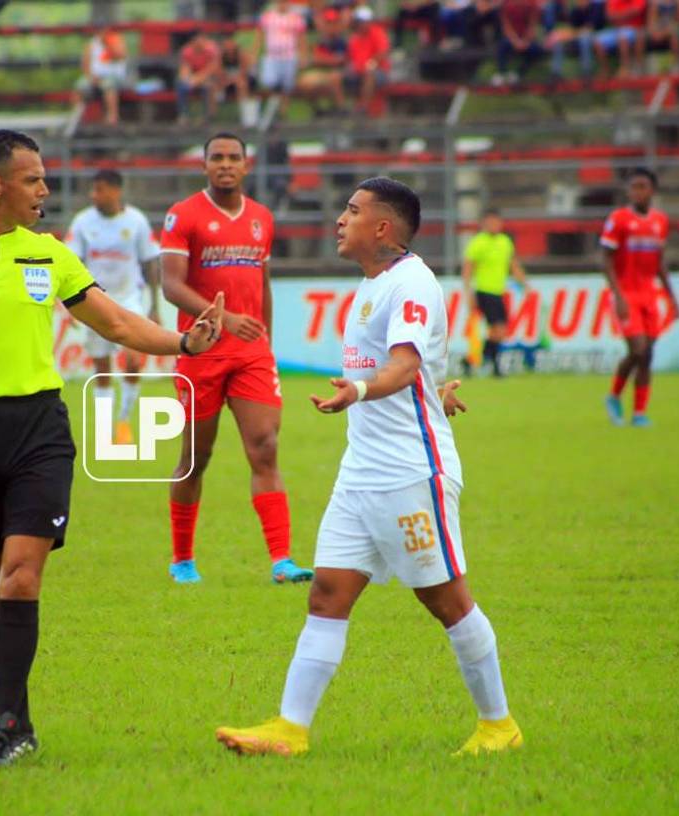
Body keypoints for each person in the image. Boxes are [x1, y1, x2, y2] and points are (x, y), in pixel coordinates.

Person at [0, 129, 223, 766]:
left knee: (21, 574)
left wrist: (184, 344)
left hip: (39, 429)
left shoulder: (51, 254)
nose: (45, 190)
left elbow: (115, 320)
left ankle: (2, 725)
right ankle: (20, 717)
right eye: (33, 179)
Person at [214, 177, 522, 757]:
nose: (340, 219)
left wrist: (358, 390)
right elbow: (417, 368)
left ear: (382, 228)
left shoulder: (410, 284)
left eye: (352, 211)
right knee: (327, 594)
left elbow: (403, 365)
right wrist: (434, 389)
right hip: (361, 473)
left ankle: (498, 726)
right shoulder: (373, 284)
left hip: (409, 474)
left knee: (447, 602)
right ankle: (290, 729)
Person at [160, 132, 312, 585]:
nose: (225, 164)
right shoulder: (182, 216)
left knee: (265, 447)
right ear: (204, 165)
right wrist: (224, 320)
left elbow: (262, 282)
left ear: (247, 165)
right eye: (216, 157)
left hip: (250, 353)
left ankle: (282, 561)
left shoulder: (262, 218)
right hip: (201, 350)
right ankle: (182, 559)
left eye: (233, 158)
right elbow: (171, 285)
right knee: (195, 456)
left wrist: (264, 338)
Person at [63, 169, 162, 445]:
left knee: (133, 359)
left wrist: (154, 306)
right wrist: (70, 304)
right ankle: (105, 428)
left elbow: (150, 262)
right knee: (102, 368)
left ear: (116, 191)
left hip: (129, 299)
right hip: (94, 299)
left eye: (100, 190)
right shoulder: (83, 222)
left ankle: (124, 419)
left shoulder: (136, 221)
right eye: (93, 190)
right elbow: (70, 263)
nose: (94, 195)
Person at [599, 167, 679, 428]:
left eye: (642, 186)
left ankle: (639, 413)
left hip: (649, 295)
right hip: (626, 294)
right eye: (633, 187)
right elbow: (606, 260)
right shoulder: (619, 219)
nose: (637, 192)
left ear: (652, 190)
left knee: (647, 355)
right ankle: (613, 396)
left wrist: (672, 298)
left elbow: (660, 263)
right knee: (638, 348)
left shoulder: (660, 222)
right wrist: (618, 296)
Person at [461, 208, 530, 377]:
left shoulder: (505, 242)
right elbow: (468, 269)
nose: (494, 225)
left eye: (496, 222)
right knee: (498, 328)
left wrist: (524, 283)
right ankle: (495, 366)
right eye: (490, 222)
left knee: (498, 330)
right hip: (483, 291)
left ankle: (472, 360)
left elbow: (513, 264)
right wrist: (468, 292)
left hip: (498, 291)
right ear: (484, 223)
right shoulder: (478, 242)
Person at [254, 0, 308, 105]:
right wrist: (255, 53)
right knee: (269, 81)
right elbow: (259, 37)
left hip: (289, 55)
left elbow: (301, 39)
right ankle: (272, 105)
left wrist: (303, 56)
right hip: (272, 55)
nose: (283, 4)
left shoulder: (296, 18)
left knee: (287, 86)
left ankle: (283, 109)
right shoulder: (268, 17)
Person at [75, 26, 128, 125]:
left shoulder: (116, 40)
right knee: (80, 86)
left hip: (113, 76)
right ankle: (78, 119)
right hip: (95, 76)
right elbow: (85, 63)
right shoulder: (92, 44)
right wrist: (91, 76)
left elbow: (120, 55)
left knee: (108, 85)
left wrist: (108, 44)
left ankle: (112, 117)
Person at [346, 6, 391, 116]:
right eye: (361, 21)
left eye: (366, 21)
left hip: (379, 71)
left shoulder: (378, 33)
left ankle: (362, 108)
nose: (363, 24)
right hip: (359, 71)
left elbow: (382, 53)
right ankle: (344, 109)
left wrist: (370, 64)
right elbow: (351, 59)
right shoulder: (354, 38)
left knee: (369, 75)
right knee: (344, 76)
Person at [176, 29, 222, 123]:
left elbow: (212, 69)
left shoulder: (211, 50)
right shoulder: (187, 51)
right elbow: (184, 70)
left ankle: (207, 117)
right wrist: (189, 79)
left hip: (208, 78)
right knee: (181, 86)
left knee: (208, 87)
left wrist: (198, 79)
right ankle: (183, 115)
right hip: (192, 78)